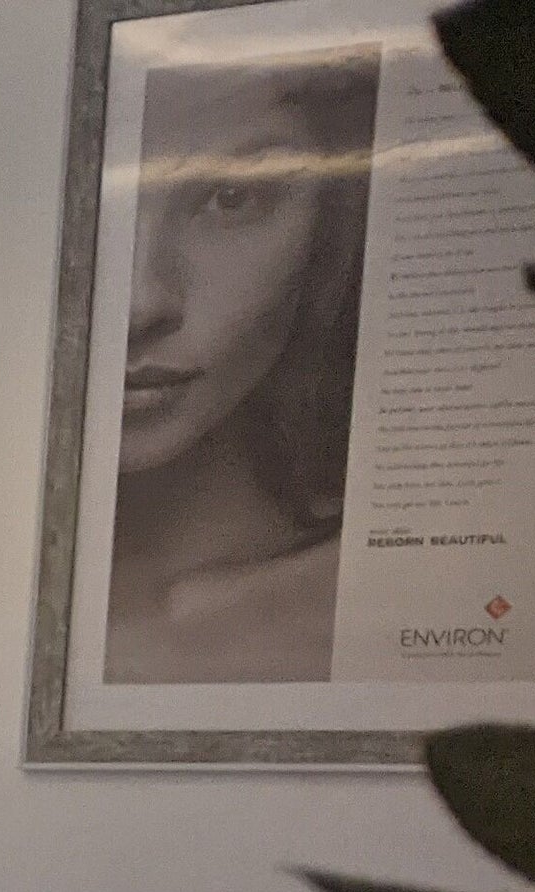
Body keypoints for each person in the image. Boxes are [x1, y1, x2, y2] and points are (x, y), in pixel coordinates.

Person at [100, 46, 379, 685]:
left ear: (333, 227)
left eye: (231, 198)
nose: (141, 302)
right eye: (94, 214)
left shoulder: (373, 605)